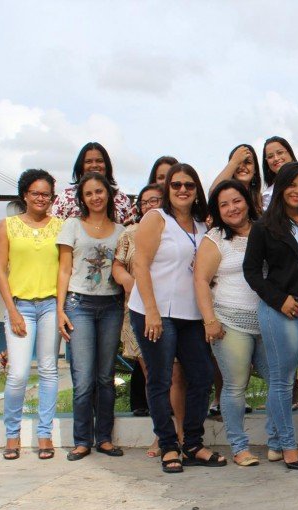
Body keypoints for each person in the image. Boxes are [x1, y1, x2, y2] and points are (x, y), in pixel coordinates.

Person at [130, 163, 225, 473]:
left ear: (196, 190)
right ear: (167, 190)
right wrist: (152, 312)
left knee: (200, 376)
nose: (183, 190)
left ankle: (193, 443)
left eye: (189, 185)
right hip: (155, 312)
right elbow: (140, 266)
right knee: (160, 379)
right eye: (176, 185)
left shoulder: (202, 226)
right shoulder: (156, 219)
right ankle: (169, 446)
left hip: (190, 315)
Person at [244, 162, 298, 470]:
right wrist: (280, 300)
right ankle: (287, 447)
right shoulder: (265, 226)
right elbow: (251, 272)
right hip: (282, 309)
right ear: (280, 187)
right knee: (282, 382)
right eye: (292, 184)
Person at [194, 180, 276, 466]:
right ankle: (240, 447)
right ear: (217, 210)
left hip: (267, 322)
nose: (232, 208)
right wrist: (209, 321)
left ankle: (277, 441)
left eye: (236, 201)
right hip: (230, 323)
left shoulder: (265, 230)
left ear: (247, 200)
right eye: (224, 204)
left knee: (279, 381)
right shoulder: (215, 238)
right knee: (235, 386)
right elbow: (201, 281)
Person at [0, 169, 63, 461]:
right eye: (35, 192)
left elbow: (64, 269)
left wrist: (61, 309)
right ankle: (12, 435)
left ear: (52, 197)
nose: (40, 198)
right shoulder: (7, 226)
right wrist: (12, 310)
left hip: (50, 305)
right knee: (18, 374)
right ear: (24, 194)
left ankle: (44, 434)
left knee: (49, 371)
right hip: (19, 306)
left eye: (45, 194)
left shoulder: (61, 226)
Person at [56, 172, 125, 461]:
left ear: (108, 194)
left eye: (100, 191)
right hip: (78, 304)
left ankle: (105, 438)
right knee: (83, 378)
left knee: (105, 377)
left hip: (111, 305)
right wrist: (60, 309)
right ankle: (82, 440)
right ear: (82, 199)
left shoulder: (122, 231)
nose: (95, 197)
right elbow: (63, 269)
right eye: (89, 194)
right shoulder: (72, 225)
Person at [113, 185, 168, 453]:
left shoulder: (177, 230)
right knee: (152, 375)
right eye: (144, 202)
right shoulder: (129, 234)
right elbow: (118, 265)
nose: (149, 206)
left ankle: (179, 430)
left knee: (178, 376)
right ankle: (161, 433)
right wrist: (127, 281)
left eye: (155, 200)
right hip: (139, 312)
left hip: (174, 310)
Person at [51, 142, 134, 224]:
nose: (94, 165)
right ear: (81, 166)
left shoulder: (122, 199)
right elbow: (54, 231)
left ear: (107, 165)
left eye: (99, 161)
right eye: (88, 161)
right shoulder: (65, 198)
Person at [210, 145, 264, 219]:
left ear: (255, 169)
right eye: (238, 163)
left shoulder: (262, 199)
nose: (242, 167)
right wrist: (234, 161)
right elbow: (213, 193)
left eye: (248, 162)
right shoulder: (224, 195)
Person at [261, 136, 298, 210]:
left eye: (280, 153)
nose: (276, 158)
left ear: (290, 153)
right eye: (270, 156)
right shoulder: (266, 196)